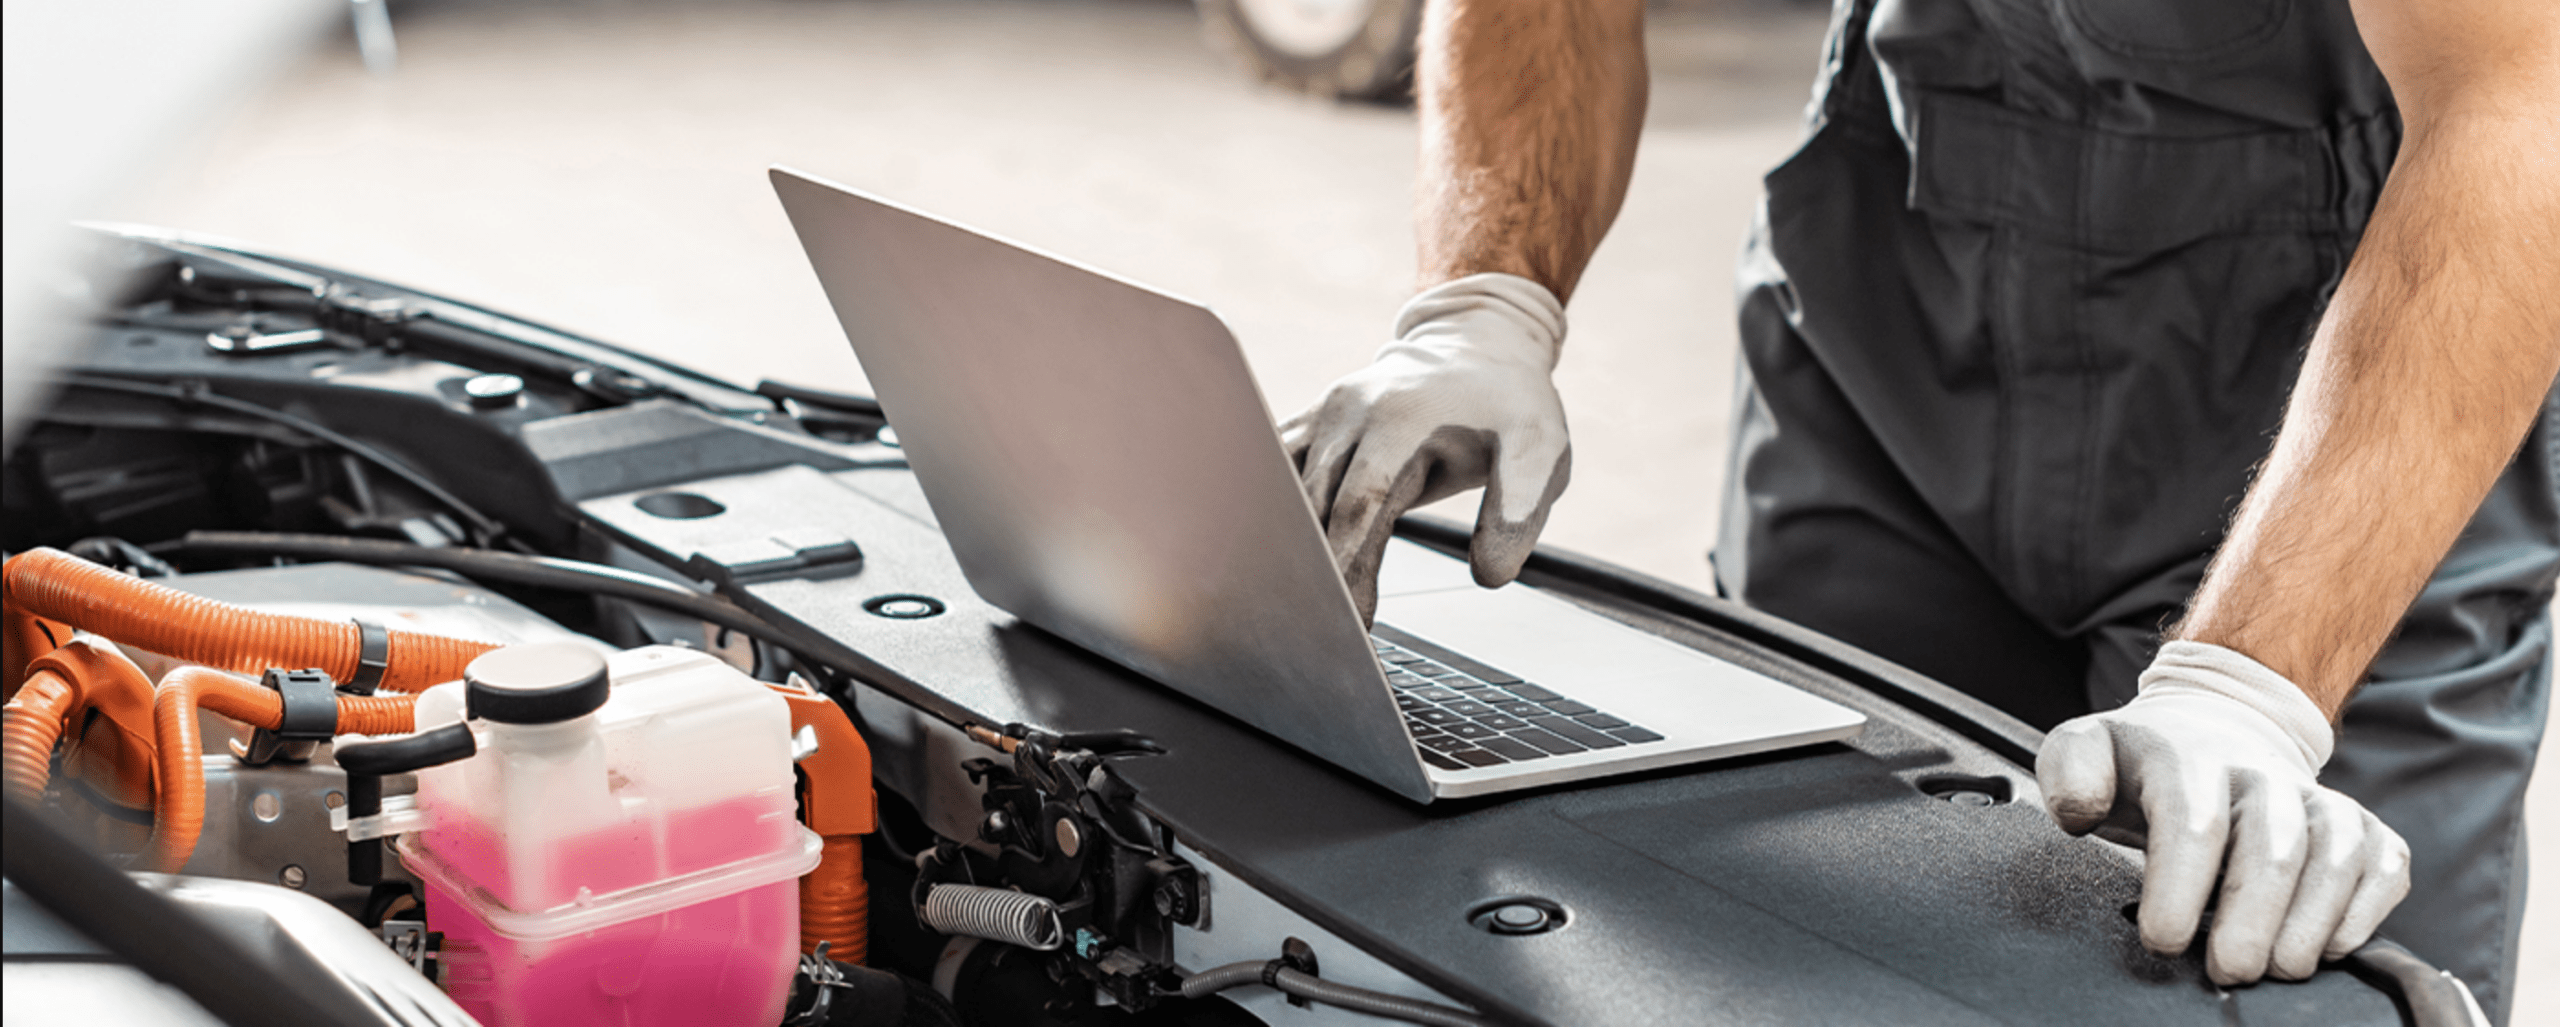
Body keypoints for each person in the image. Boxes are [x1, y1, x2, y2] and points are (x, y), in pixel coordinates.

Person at [1278, 0, 2560, 1020]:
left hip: (2345, 385)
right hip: (1886, 327)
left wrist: (2252, 688)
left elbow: (2513, 98)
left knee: (2286, 983)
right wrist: (1485, 303)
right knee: (1775, 952)